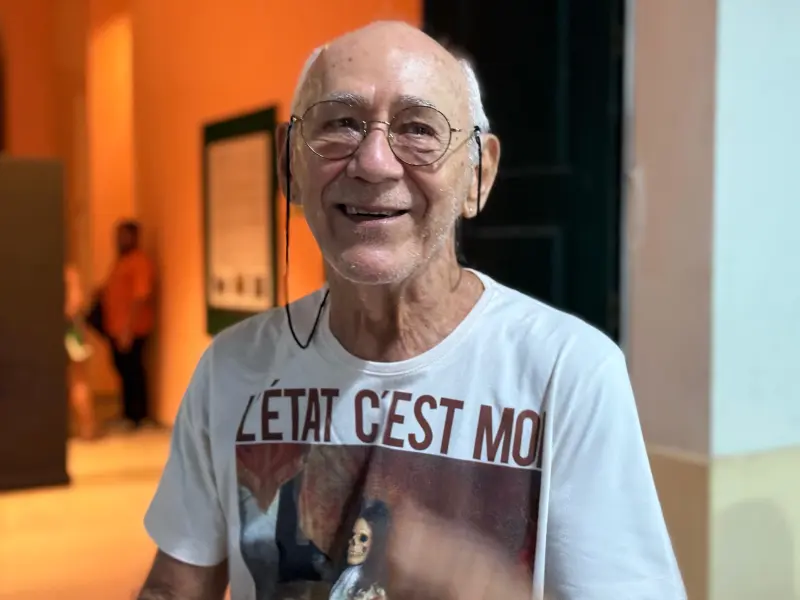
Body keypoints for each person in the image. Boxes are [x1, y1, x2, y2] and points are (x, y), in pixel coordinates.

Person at [139, 21, 685, 600]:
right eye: (340, 123)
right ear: (289, 165)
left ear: (478, 175)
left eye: (419, 129)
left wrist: (487, 590)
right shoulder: (232, 368)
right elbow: (174, 590)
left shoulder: (568, 371)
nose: (373, 162)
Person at [102, 220, 155, 429]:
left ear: (134, 237)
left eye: (124, 236)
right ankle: (126, 413)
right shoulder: (121, 261)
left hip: (133, 329)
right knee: (123, 371)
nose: (119, 240)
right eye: (118, 236)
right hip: (116, 328)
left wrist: (128, 329)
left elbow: (140, 297)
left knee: (133, 372)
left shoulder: (140, 262)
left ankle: (137, 416)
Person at [64, 264, 98, 440]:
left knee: (78, 380)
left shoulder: (68, 273)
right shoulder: (69, 273)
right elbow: (77, 303)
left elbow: (75, 304)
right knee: (78, 380)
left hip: (69, 333)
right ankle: (86, 427)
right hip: (69, 331)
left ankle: (87, 427)